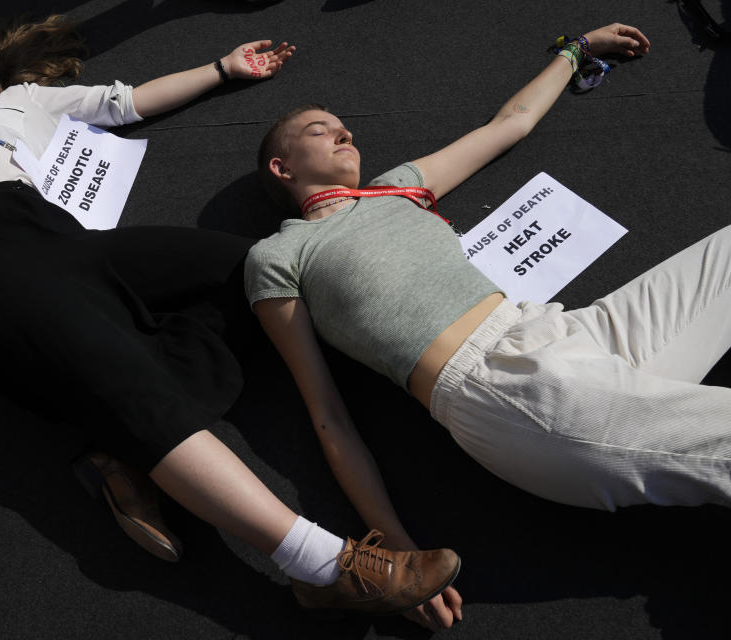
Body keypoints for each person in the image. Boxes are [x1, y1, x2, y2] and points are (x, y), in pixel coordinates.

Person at [0, 15, 461, 620]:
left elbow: (127, 102)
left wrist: (224, 68)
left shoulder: (23, 102)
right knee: (123, 374)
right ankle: (328, 566)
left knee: (250, 270)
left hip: (53, 237)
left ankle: (124, 446)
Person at [249, 22, 731, 630]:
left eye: (342, 124)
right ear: (282, 165)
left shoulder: (396, 189)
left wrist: (575, 51)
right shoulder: (279, 256)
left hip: (566, 332)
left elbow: (509, 126)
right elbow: (327, 414)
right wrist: (399, 554)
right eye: (319, 130)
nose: (344, 131)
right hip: (507, 393)